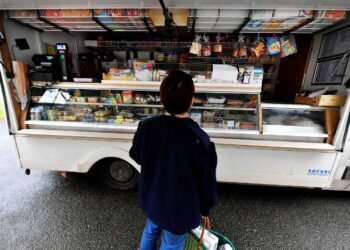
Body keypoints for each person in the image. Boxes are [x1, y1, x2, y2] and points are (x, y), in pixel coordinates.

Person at [129, 70, 217, 250]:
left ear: (162, 99)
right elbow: (206, 183)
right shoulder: (202, 141)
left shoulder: (147, 126)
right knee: (172, 244)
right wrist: (205, 208)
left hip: (153, 198)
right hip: (180, 208)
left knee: (151, 230)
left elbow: (137, 156)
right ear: (191, 100)